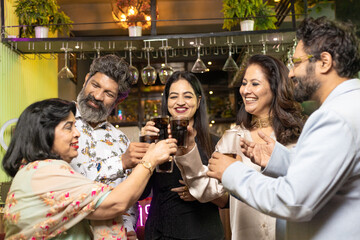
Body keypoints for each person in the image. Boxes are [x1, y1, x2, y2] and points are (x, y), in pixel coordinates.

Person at [207, 17, 360, 240]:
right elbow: (324, 173)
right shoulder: (350, 106)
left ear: (324, 62)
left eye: (297, 63)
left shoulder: (334, 117)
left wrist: (233, 172)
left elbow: (293, 201)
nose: (291, 73)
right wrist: (277, 159)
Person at [2, 98, 177, 240]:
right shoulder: (44, 174)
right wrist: (150, 160)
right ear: (44, 133)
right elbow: (116, 202)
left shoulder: (39, 170)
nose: (77, 133)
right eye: (68, 127)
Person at [175, 55, 304, 240]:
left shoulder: (298, 136)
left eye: (255, 84)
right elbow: (206, 189)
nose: (245, 90)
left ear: (275, 88)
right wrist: (188, 151)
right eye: (244, 83)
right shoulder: (232, 139)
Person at [141, 71, 227, 240]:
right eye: (173, 97)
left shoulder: (216, 143)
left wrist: (200, 191)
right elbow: (141, 193)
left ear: (198, 100)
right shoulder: (155, 142)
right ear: (167, 102)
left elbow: (226, 201)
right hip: (161, 233)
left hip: (206, 233)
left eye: (187, 96)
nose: (180, 102)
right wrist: (145, 147)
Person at [70, 54, 146, 239]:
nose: (97, 96)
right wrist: (120, 162)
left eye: (108, 93)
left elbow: (127, 195)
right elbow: (69, 183)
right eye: (95, 85)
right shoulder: (59, 121)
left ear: (117, 101)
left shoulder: (121, 140)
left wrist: (128, 227)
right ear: (86, 80)